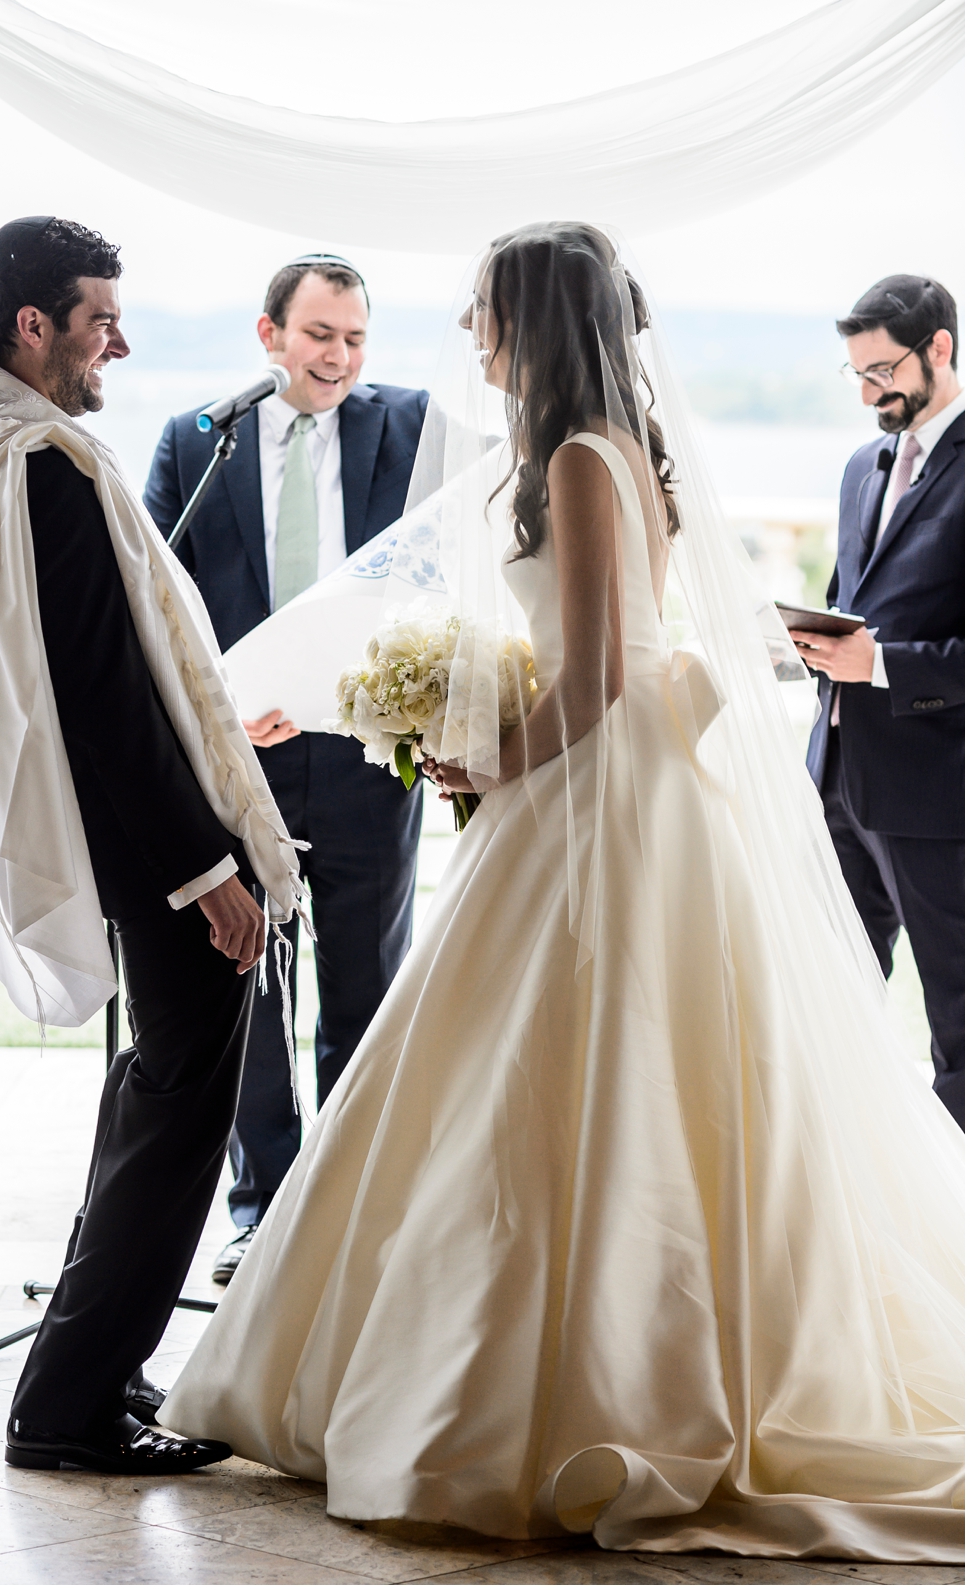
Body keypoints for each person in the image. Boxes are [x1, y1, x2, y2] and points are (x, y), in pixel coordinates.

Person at [162, 224, 963, 1560]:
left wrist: (490, 756)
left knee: (585, 1073)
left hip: (606, 801)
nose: (473, 335)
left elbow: (597, 675)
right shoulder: (584, 449)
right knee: (515, 1071)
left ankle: (573, 1389)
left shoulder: (587, 455)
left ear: (534, 322)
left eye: (487, 313)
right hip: (596, 786)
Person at [0, 217, 305, 1475]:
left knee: (154, 1095)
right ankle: (70, 1404)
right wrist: (207, 874)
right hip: (152, 848)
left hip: (118, 830)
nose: (121, 344)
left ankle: (95, 1371)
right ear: (33, 327)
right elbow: (94, 693)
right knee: (179, 1107)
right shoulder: (40, 461)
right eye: (101, 319)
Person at [144, 255, 428, 1282]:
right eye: (320, 336)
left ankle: (350, 1212)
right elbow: (160, 600)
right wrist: (217, 714)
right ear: (269, 335)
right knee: (251, 994)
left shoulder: (412, 425)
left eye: (355, 338)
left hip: (366, 762)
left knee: (365, 989)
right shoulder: (195, 441)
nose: (340, 358)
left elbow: (447, 571)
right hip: (241, 767)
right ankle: (263, 1209)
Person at [788, 276, 964, 1129]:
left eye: (883, 371)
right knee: (827, 1005)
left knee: (957, 1030)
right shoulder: (865, 463)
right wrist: (807, 641)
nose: (869, 394)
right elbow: (849, 595)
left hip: (937, 796)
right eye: (855, 375)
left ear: (941, 348)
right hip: (835, 780)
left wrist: (883, 665)